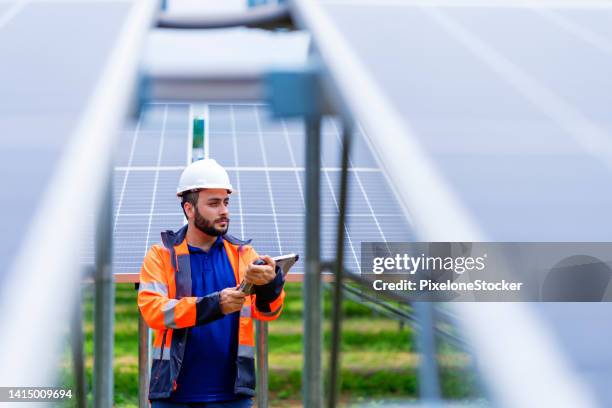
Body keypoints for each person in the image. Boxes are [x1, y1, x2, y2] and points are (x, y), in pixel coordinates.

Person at [138, 158, 286, 407]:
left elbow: (269, 313)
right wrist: (216, 304)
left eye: (226, 202)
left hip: (233, 395)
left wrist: (270, 286)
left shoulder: (244, 255)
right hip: (173, 395)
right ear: (189, 209)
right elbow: (154, 312)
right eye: (214, 204)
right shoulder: (161, 255)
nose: (224, 210)